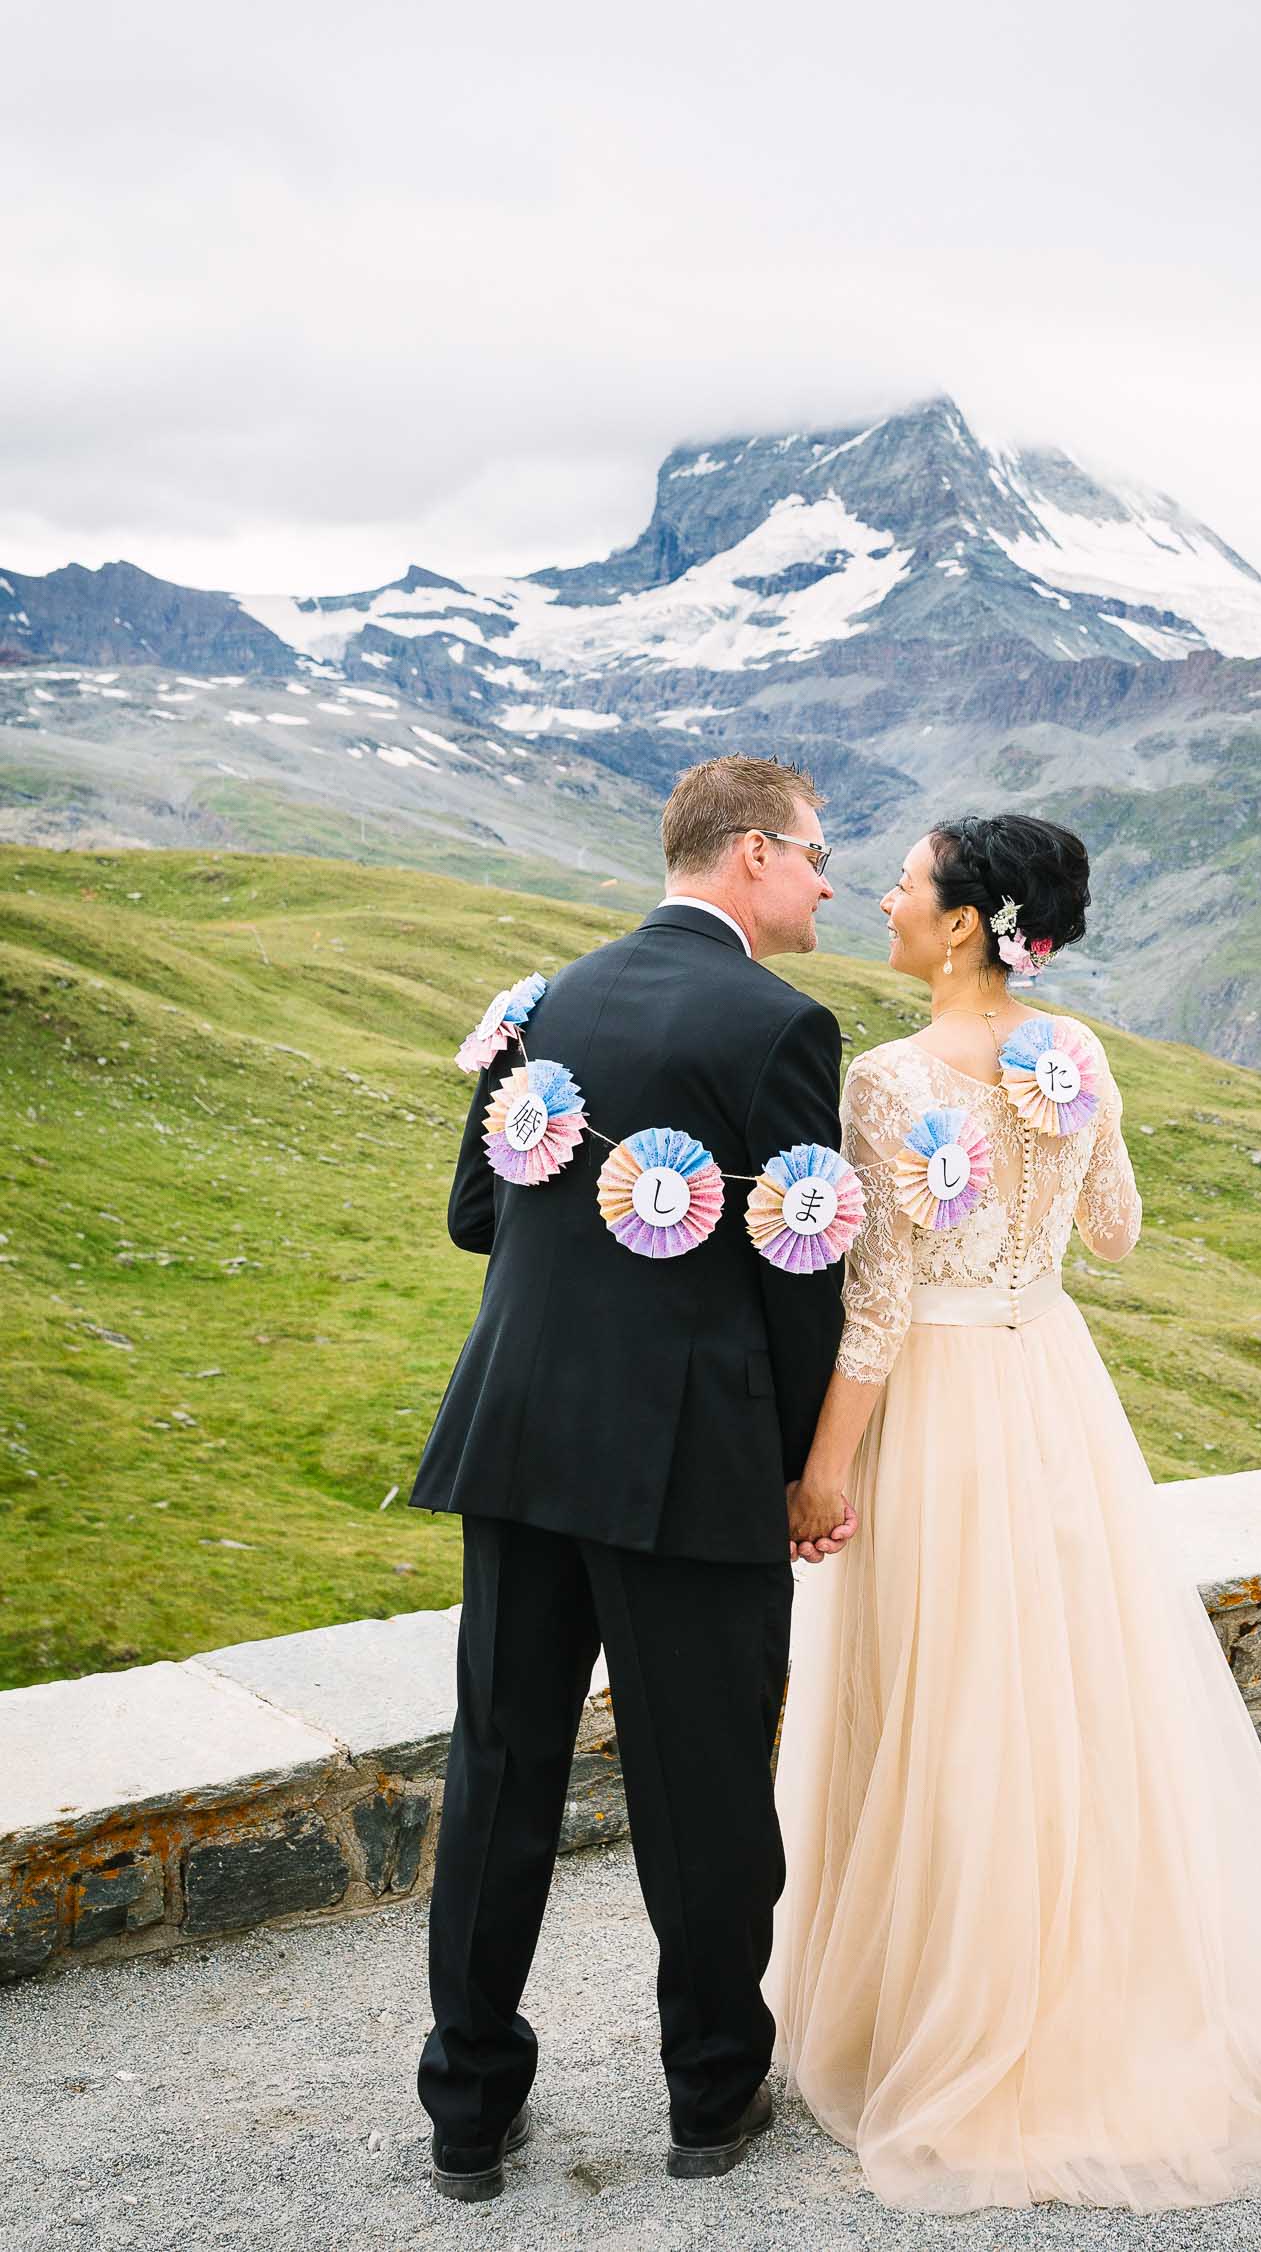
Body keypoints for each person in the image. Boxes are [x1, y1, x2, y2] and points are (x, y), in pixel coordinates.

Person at [767, 812, 1261, 2214]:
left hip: (943, 1407)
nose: (884, 900)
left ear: (962, 922)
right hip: (1053, 1392)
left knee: (940, 1694)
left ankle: (938, 2015)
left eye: (902, 884)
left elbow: (883, 1303)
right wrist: (1062, 1150)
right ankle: (1094, 1984)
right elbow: (1115, 1233)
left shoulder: (890, 1080)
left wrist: (824, 1466)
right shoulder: (1077, 1057)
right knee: (1064, 1694)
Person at [410, 753, 854, 2200]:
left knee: (500, 1770)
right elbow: (801, 1274)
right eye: (811, 853)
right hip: (687, 1468)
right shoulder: (783, 1023)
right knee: (705, 1784)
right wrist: (805, 1468)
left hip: (521, 1441)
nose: (826, 880)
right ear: (745, 856)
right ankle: (710, 2103)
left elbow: (481, 1211)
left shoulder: (543, 1002)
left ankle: (469, 2115)